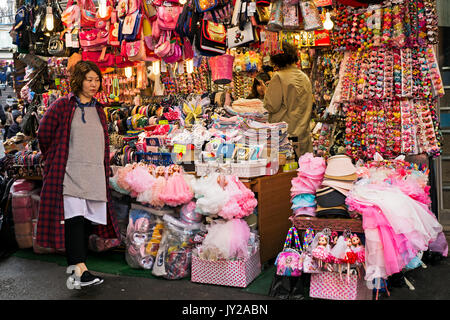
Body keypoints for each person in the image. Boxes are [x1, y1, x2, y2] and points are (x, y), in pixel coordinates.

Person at [36, 61, 120, 289]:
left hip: (93, 174)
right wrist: (55, 157)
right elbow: (43, 133)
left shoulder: (100, 109)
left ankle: (79, 271)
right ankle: (79, 270)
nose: (94, 84)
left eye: (96, 80)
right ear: (78, 80)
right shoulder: (63, 106)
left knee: (84, 223)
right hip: (69, 173)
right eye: (88, 80)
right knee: (73, 220)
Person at [263, 42, 314, 157]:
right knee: (303, 170)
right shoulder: (304, 77)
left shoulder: (279, 77)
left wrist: (267, 91)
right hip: (303, 135)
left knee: (285, 172)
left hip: (285, 137)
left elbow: (271, 106)